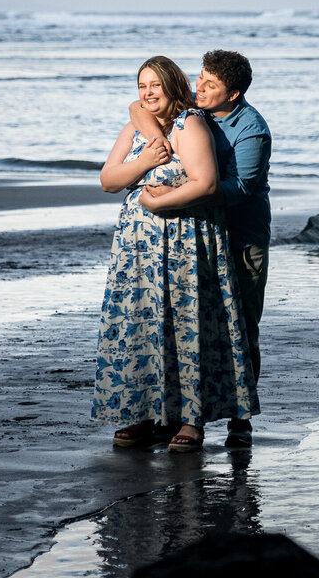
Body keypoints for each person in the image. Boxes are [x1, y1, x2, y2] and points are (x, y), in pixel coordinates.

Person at [92, 55, 259, 453]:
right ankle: (141, 413)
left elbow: (207, 183)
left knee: (188, 326)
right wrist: (146, 160)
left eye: (155, 85)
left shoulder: (192, 123)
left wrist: (157, 206)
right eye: (141, 86)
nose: (147, 93)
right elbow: (107, 179)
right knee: (141, 326)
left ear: (172, 86)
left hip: (186, 243)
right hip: (137, 250)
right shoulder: (136, 125)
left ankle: (191, 420)